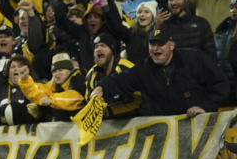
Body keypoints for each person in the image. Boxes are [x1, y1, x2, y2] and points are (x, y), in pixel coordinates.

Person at [90, 29, 229, 117]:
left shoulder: (194, 59)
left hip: (200, 127)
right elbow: (123, 79)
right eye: (152, 44)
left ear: (171, 46)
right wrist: (102, 87)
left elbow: (221, 84)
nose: (155, 48)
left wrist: (205, 107)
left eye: (160, 44)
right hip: (168, 135)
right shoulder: (145, 68)